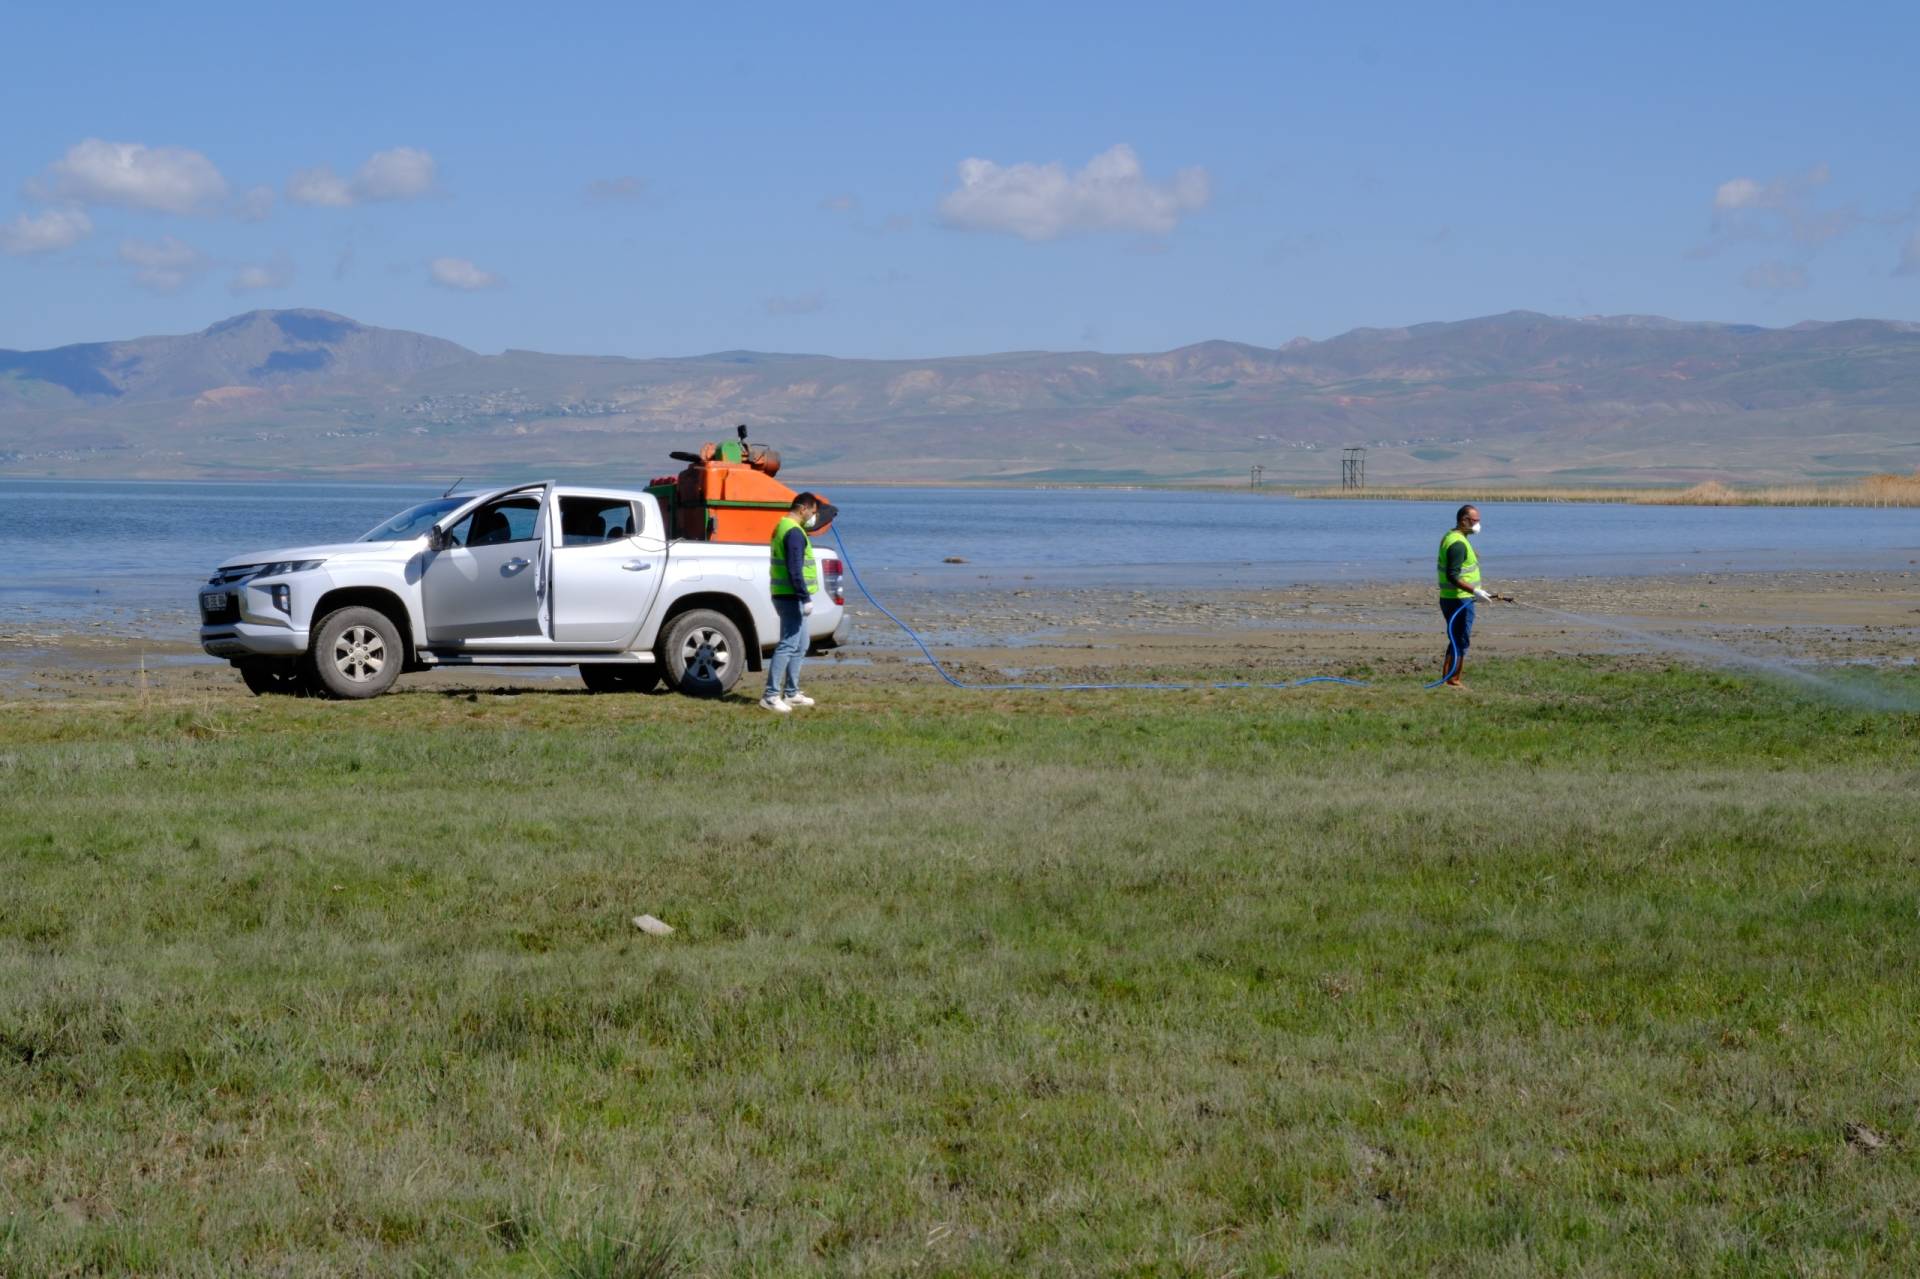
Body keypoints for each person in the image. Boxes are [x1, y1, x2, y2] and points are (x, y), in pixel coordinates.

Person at [762, 492, 827, 713]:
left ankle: (791, 693)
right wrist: (805, 598)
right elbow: (794, 569)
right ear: (803, 509)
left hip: (788, 594)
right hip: (791, 596)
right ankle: (770, 695)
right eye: (813, 512)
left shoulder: (784, 526)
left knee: (802, 644)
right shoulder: (793, 532)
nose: (813, 517)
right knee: (788, 644)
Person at [1437, 504, 1499, 687]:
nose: (1478, 524)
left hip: (1455, 597)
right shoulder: (1457, 543)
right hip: (1458, 599)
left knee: (1456, 638)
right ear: (1464, 520)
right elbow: (1452, 575)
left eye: (1479, 520)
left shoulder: (1455, 536)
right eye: (1475, 521)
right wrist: (1475, 591)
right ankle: (1453, 680)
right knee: (1461, 639)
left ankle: (1450, 678)